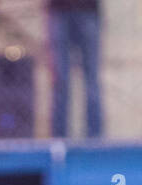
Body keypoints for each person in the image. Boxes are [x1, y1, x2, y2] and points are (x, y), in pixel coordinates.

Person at [47, 0, 103, 138]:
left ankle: (95, 139)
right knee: (61, 79)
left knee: (91, 80)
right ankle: (59, 139)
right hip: (60, 11)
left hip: (87, 10)